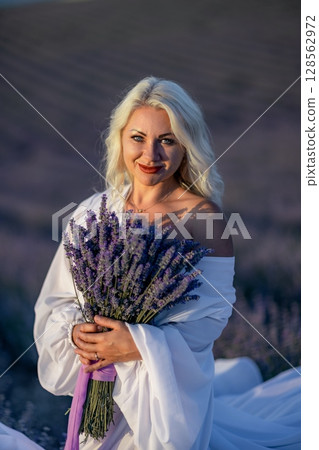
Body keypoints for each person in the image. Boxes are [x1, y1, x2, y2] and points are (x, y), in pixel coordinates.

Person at [34, 77, 301, 449]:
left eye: (168, 140)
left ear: (185, 146)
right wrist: (75, 333)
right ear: (121, 138)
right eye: (138, 138)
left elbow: (211, 320)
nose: (151, 155)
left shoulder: (203, 218)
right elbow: (57, 300)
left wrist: (138, 343)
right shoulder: (92, 212)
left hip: (163, 402)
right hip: (99, 385)